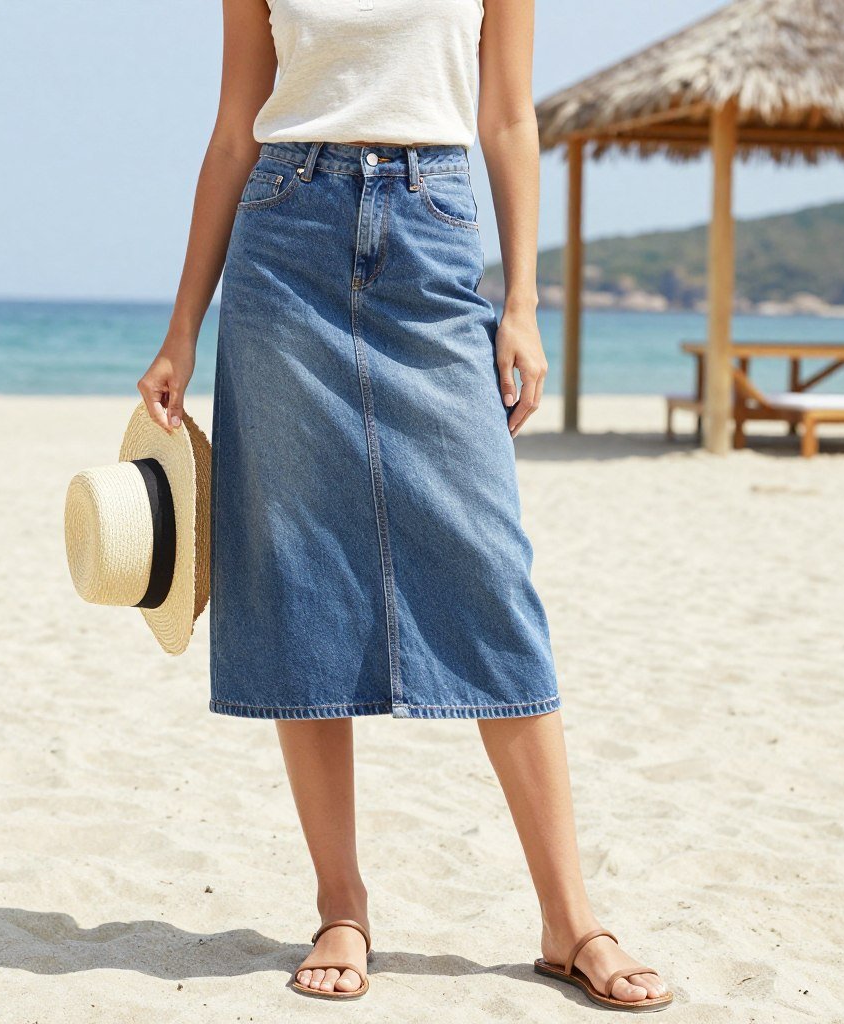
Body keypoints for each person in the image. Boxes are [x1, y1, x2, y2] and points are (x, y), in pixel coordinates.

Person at [137, 0, 671, 1010]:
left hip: (432, 231)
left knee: (486, 571)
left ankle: (570, 917)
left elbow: (510, 118)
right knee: (297, 567)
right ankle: (341, 903)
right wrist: (180, 328)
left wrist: (520, 303)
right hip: (282, 234)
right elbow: (232, 125)